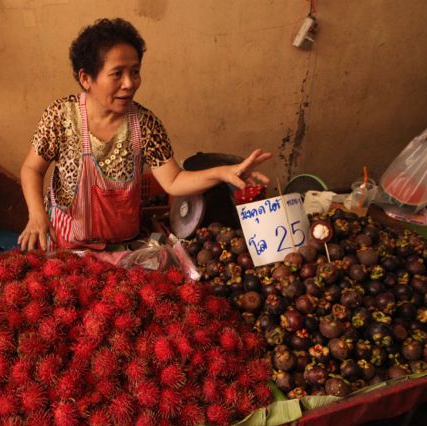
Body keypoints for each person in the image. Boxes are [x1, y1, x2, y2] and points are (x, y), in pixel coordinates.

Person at [18, 18, 272, 251]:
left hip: (124, 247)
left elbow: (173, 180)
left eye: (135, 71)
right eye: (117, 73)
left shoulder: (146, 125)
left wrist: (222, 172)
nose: (129, 83)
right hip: (67, 245)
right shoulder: (60, 116)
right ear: (86, 78)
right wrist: (37, 215)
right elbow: (32, 168)